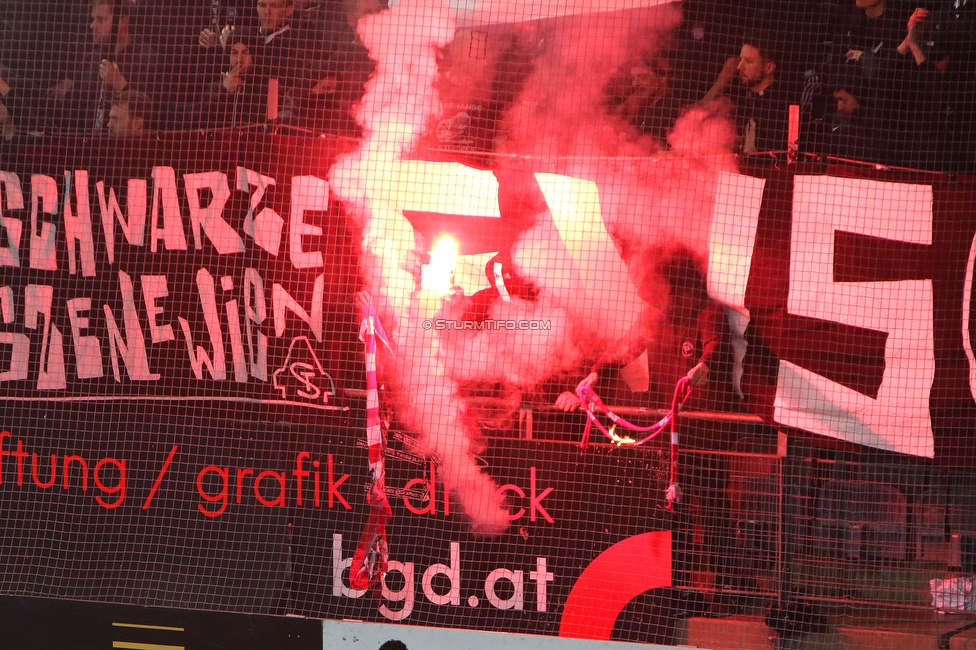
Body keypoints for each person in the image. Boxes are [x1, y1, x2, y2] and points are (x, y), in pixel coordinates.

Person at [45, 0, 162, 133]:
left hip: (122, 146)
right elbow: (73, 113)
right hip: (84, 145)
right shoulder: (89, 59)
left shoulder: (147, 59)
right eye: (94, 19)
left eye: (100, 19)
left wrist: (120, 84)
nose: (92, 25)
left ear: (123, 20)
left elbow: (150, 117)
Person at [701, 32, 792, 154]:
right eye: (740, 59)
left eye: (748, 61)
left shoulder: (780, 109)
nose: (739, 66)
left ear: (769, 68)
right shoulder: (740, 100)